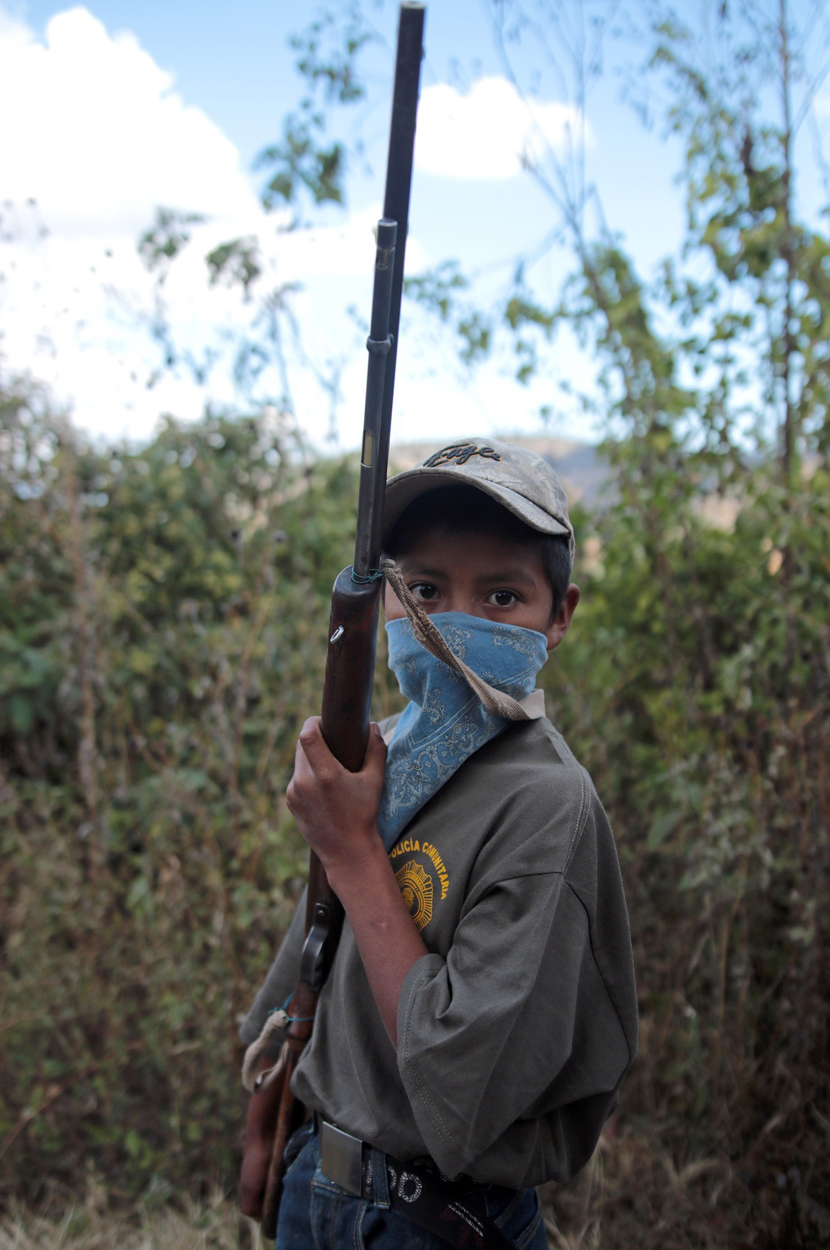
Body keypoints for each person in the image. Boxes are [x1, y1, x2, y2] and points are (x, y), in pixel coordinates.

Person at [238, 438, 638, 1249]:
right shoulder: (380, 755)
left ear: (558, 616)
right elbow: (311, 966)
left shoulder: (545, 804)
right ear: (386, 598)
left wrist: (354, 852)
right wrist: (264, 1125)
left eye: (501, 596)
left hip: (437, 1220)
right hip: (316, 1184)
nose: (453, 624)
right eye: (423, 591)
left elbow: (459, 1077)